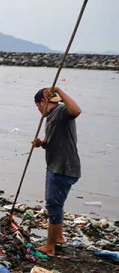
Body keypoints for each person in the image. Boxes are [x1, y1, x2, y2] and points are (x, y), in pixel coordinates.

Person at [32, 87, 81, 256]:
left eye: (38, 106)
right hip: (56, 165)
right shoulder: (52, 117)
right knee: (56, 204)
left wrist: (58, 89)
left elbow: (76, 110)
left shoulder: (60, 111)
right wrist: (42, 143)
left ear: (43, 102)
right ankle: (58, 237)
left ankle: (50, 246)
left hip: (63, 167)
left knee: (53, 205)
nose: (38, 110)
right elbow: (56, 140)